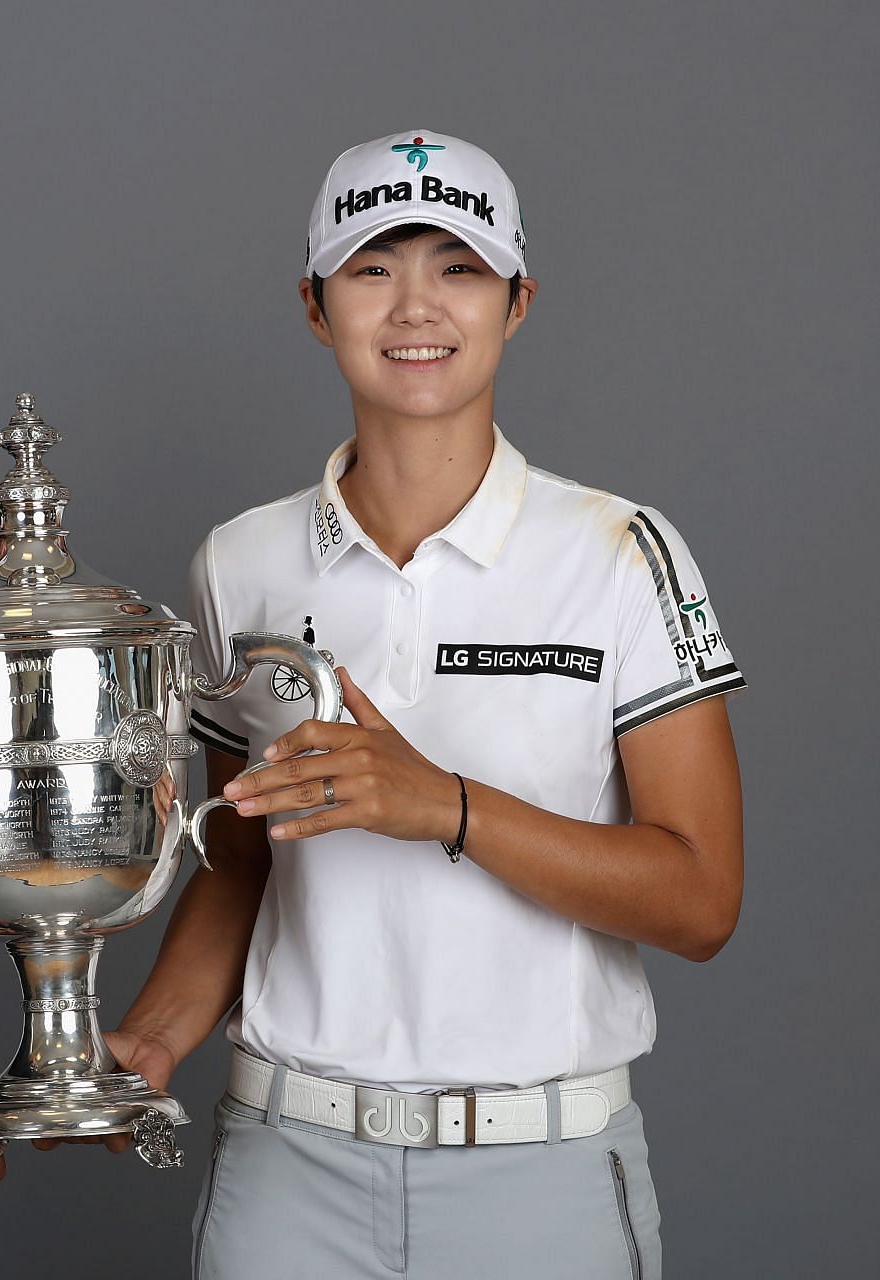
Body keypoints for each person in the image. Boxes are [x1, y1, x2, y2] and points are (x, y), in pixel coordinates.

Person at [103, 131, 744, 1278]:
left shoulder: (620, 551)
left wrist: (444, 803)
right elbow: (242, 854)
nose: (416, 305)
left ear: (518, 299)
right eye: (371, 267)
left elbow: (700, 897)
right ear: (315, 304)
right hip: (286, 1165)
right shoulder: (237, 562)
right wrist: (146, 1041)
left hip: (541, 1172)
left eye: (457, 265)